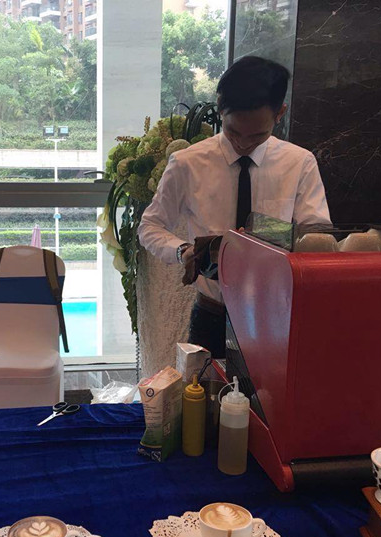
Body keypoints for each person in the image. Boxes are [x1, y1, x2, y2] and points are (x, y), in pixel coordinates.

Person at [138, 56, 332, 358]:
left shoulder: (299, 163)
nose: (242, 143)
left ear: (280, 113)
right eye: (233, 132)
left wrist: (270, 234)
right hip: (211, 315)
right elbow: (150, 226)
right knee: (202, 390)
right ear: (220, 107)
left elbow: (318, 238)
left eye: (257, 135)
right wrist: (183, 252)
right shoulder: (188, 163)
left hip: (275, 317)